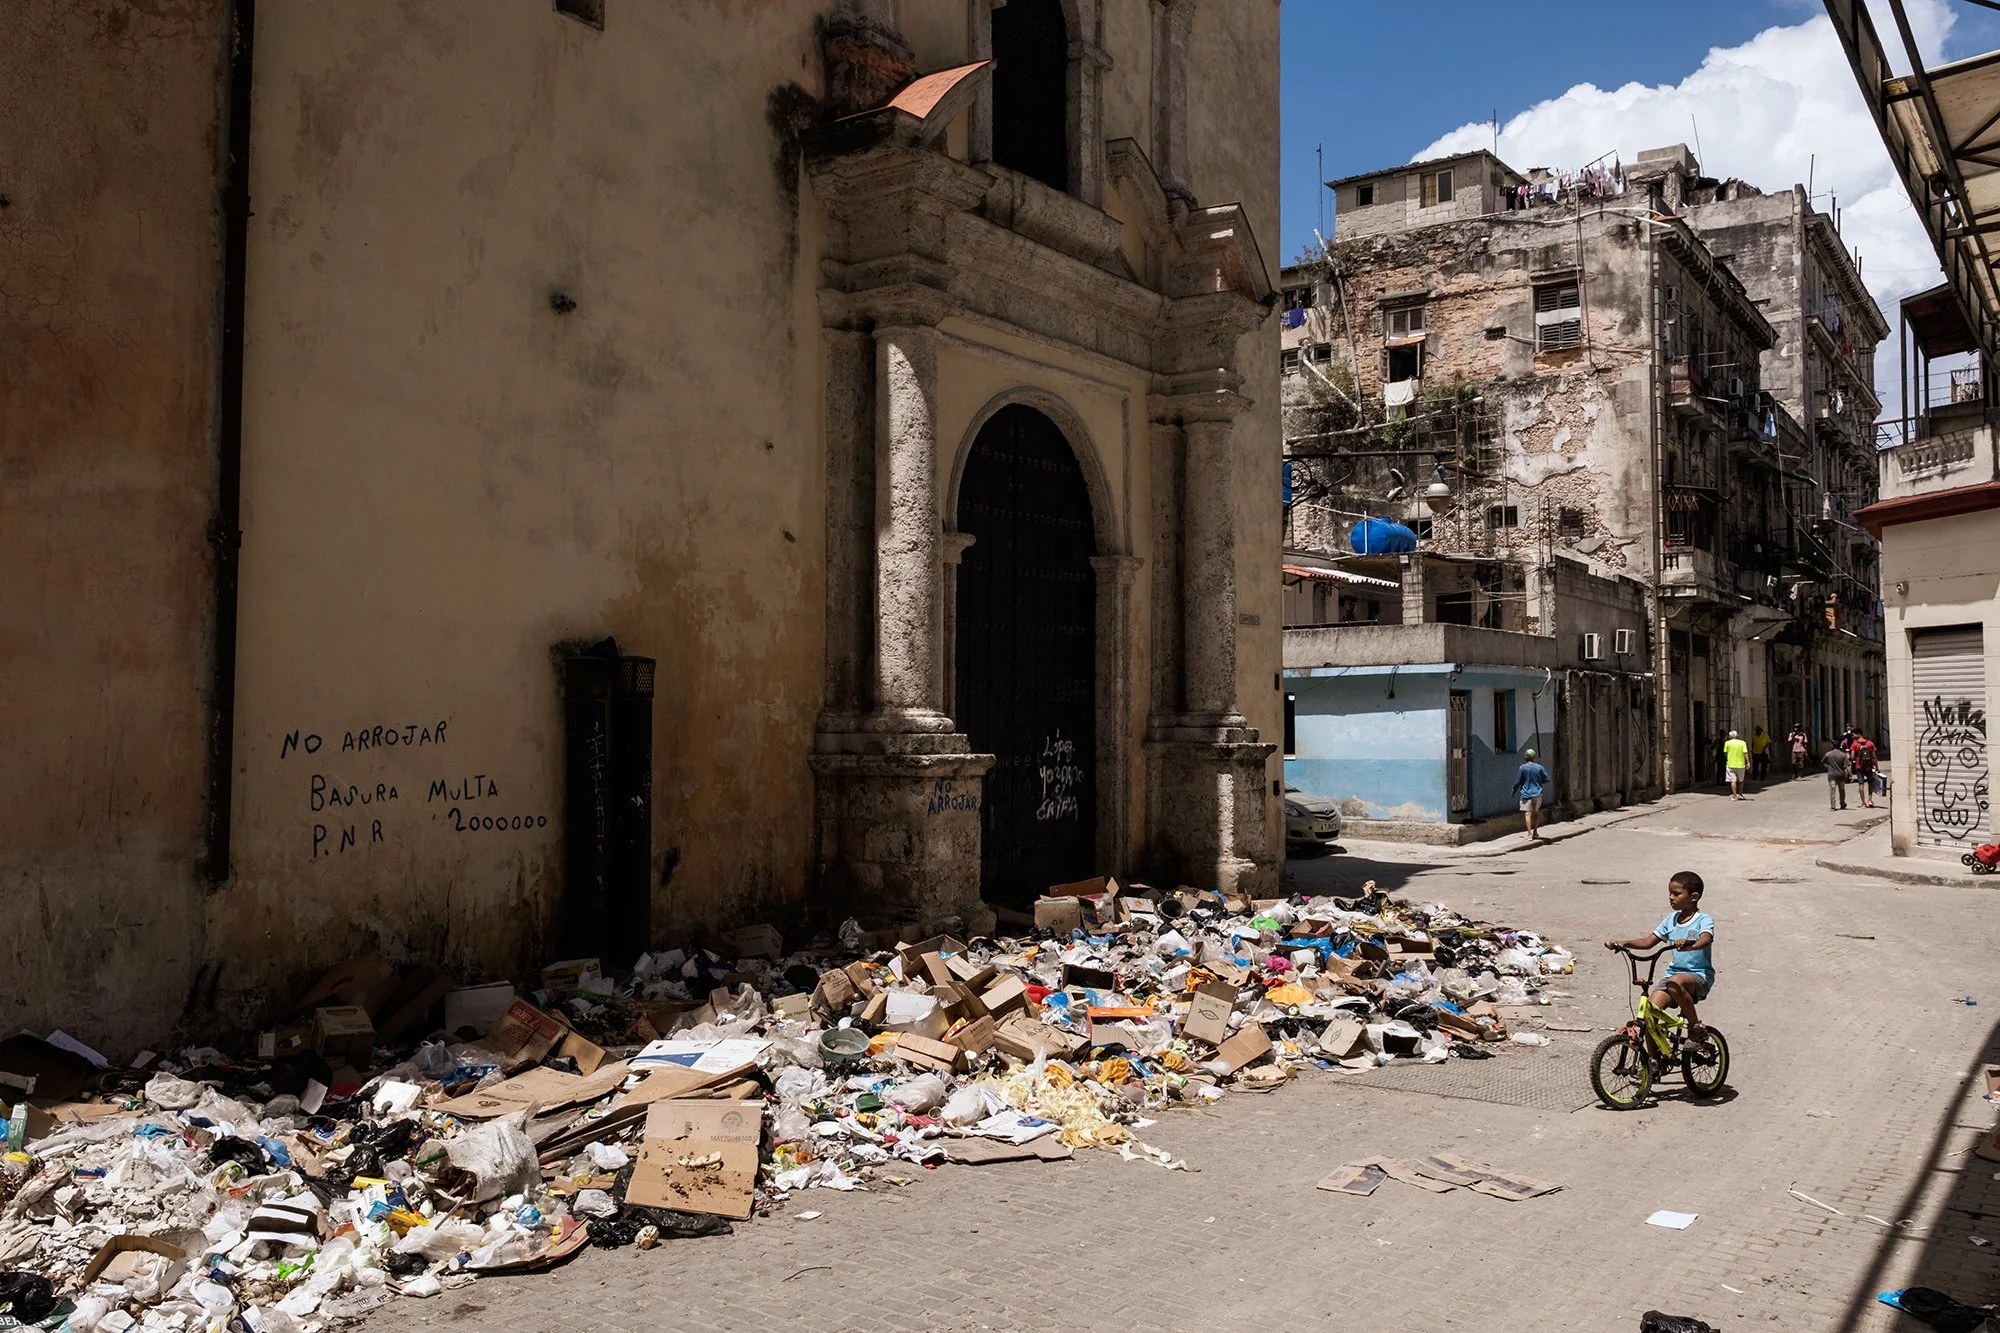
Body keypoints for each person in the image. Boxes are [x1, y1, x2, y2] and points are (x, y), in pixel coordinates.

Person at [1604, 869, 1715, 1044]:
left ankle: (1694, 1027)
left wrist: (1689, 944)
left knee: (1675, 982)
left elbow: (1706, 939)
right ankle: (1654, 1063)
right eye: (1669, 893)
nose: (1671, 897)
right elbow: (1649, 942)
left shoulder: (1703, 920)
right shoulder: (1671, 919)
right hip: (1673, 976)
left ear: (1694, 897)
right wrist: (1624, 943)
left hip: (1699, 976)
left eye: (1676, 894)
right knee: (1648, 1015)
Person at [1513, 748, 1552, 840]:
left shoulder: (1522, 768)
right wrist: (1539, 781)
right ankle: (1535, 832)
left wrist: (1514, 791)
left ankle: (1529, 834)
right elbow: (1547, 779)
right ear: (1534, 757)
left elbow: (1517, 782)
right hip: (1537, 794)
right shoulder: (1539, 767)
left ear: (1526, 757)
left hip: (1526, 795)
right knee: (1536, 813)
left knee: (1527, 814)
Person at [1850, 732, 1880, 808]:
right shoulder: (1870, 743)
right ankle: (1870, 800)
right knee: (1870, 783)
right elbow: (1874, 756)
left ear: (1858, 734)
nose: (1853, 736)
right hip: (1869, 766)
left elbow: (1852, 757)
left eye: (1853, 735)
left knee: (1861, 784)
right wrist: (1877, 767)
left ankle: (1863, 803)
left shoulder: (1854, 744)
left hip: (1859, 766)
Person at [1823, 740, 1852, 810]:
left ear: (1832, 746)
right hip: (1841, 775)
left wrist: (1829, 767)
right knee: (1841, 790)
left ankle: (1833, 806)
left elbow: (1823, 762)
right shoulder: (1843, 755)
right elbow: (1847, 766)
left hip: (1832, 775)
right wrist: (1850, 775)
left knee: (1832, 790)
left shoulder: (1828, 754)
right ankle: (1842, 803)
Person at [1722, 729, 1749, 800]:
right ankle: (1740, 794)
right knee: (1741, 780)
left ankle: (1734, 796)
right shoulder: (1742, 743)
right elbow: (1745, 753)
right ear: (1737, 736)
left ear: (1730, 736)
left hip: (1730, 764)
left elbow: (1725, 753)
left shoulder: (1727, 743)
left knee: (1733, 781)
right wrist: (1748, 762)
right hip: (1741, 764)